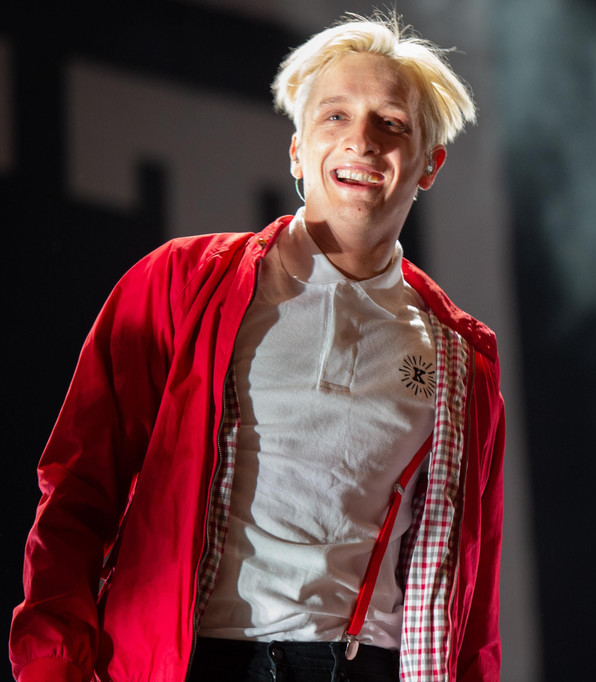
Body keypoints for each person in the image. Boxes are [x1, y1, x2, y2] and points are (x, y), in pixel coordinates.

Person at [9, 13, 504, 682]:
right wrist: (52, 666)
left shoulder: (459, 356)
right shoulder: (180, 283)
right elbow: (79, 490)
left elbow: (472, 587)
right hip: (196, 661)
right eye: (335, 116)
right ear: (297, 151)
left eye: (392, 123)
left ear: (429, 166)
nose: (361, 140)